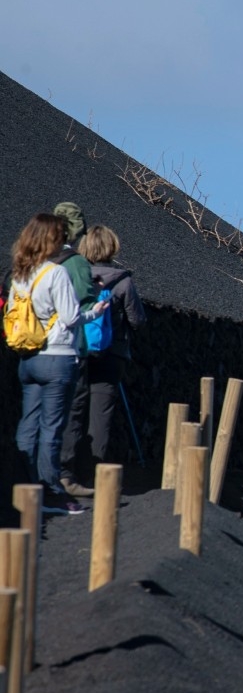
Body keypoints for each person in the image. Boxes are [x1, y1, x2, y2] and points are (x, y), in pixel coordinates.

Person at [6, 213, 105, 515]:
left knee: (28, 424)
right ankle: (50, 492)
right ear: (52, 239)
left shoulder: (21, 273)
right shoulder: (56, 273)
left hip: (28, 357)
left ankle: (21, 487)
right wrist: (96, 311)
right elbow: (71, 317)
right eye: (61, 236)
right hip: (58, 357)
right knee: (52, 428)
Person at [77, 225, 147, 470]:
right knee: (100, 416)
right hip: (112, 355)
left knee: (73, 411)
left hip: (77, 351)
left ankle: (66, 471)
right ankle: (91, 472)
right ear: (112, 247)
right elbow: (138, 321)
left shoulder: (75, 275)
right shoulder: (123, 282)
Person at [50, 201, 99, 497]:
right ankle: (64, 474)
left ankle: (37, 474)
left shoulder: (36, 258)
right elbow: (84, 300)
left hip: (33, 346)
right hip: (68, 348)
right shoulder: (76, 263)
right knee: (71, 411)